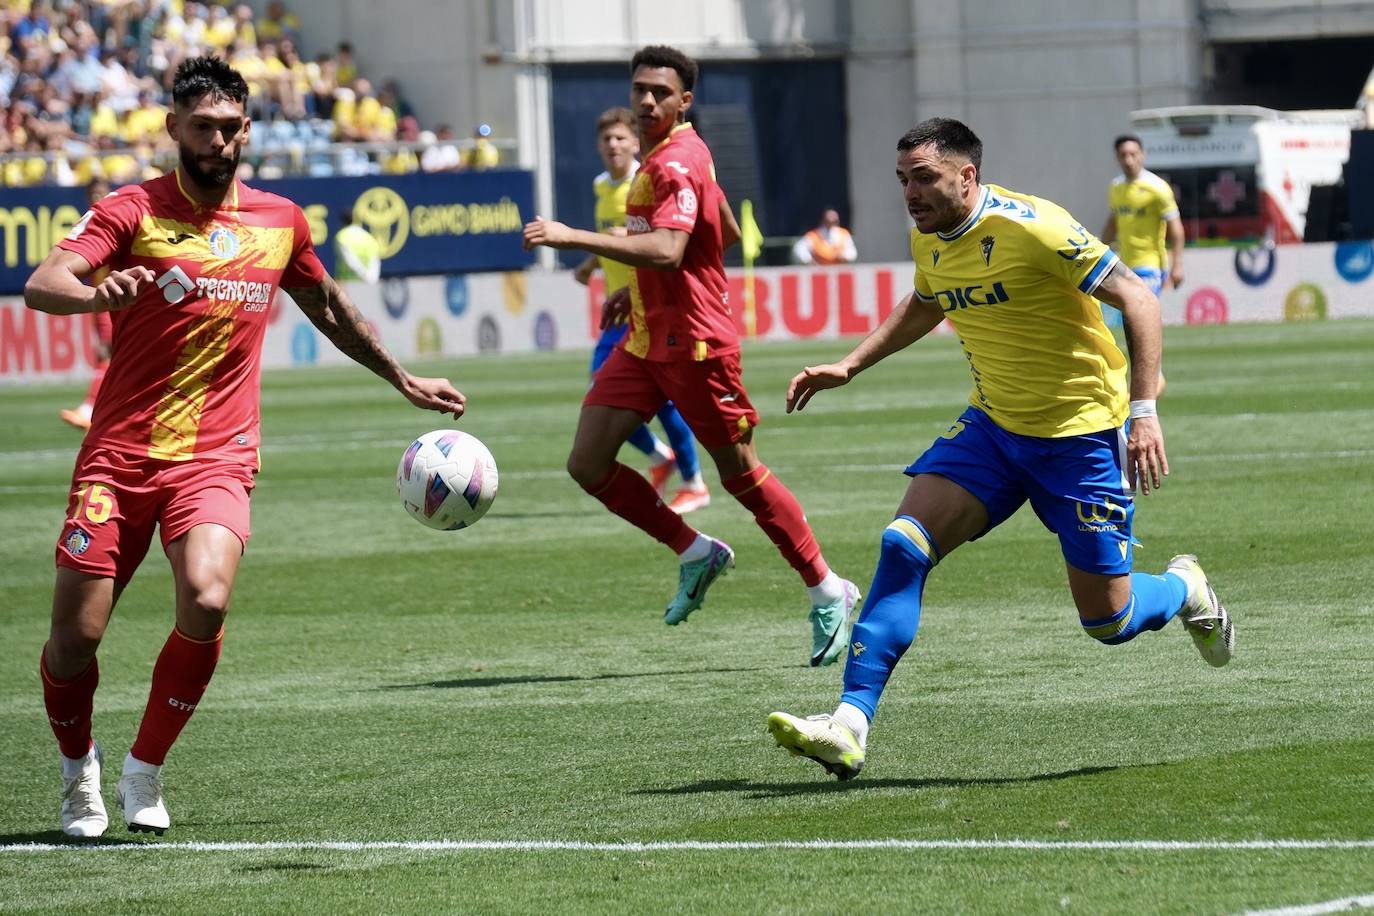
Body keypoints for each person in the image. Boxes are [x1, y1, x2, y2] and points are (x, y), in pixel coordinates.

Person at [24, 55, 465, 838]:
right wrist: (96, 290)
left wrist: (400, 377)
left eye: (231, 128)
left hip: (216, 457)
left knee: (208, 597)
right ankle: (76, 772)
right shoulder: (130, 210)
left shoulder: (278, 221)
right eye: (203, 128)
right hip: (119, 457)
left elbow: (327, 305)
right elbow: (44, 281)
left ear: (247, 129)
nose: (219, 142)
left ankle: (144, 772)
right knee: (74, 641)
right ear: (173, 128)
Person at [766, 118, 1233, 781]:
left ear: (967, 175)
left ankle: (1185, 588)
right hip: (992, 428)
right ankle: (849, 723)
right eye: (902, 180)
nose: (911, 193)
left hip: (1080, 438)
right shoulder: (929, 235)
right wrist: (850, 364)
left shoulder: (1034, 226)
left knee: (1109, 621)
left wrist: (1145, 410)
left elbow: (1136, 297)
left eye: (923, 177)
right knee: (903, 544)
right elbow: (928, 301)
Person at [523, 45, 858, 662]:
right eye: (639, 90)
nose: (646, 100)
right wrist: (642, 295)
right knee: (587, 461)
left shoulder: (675, 162)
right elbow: (723, 231)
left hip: (698, 347)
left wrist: (572, 235)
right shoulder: (683, 153)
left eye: (659, 92)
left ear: (684, 100)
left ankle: (827, 588)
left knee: (743, 478)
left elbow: (672, 250)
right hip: (649, 338)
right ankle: (696, 551)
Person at [572, 106, 709, 513]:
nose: (613, 145)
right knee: (605, 396)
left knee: (658, 401)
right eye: (606, 139)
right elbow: (613, 239)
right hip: (620, 311)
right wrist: (590, 263)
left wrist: (608, 238)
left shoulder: (645, 180)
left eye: (620, 138)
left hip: (648, 307)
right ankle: (662, 460)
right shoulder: (602, 187)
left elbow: (656, 239)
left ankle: (694, 481)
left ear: (635, 142)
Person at [60, 178, 114, 431]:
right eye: (93, 194)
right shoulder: (89, 226)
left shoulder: (118, 222)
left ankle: (89, 409)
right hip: (98, 298)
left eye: (101, 192)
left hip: (115, 301)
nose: (97, 198)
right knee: (109, 355)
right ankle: (104, 410)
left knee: (107, 353)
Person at [791, 208, 857, 265]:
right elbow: (799, 250)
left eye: (834, 221)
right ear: (823, 221)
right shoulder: (813, 236)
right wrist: (810, 261)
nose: (831, 224)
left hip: (838, 271)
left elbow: (852, 253)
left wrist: (843, 256)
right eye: (828, 221)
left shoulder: (843, 234)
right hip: (819, 273)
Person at [333, 208, 382, 284]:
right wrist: (371, 278)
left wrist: (364, 276)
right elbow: (375, 261)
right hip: (368, 282)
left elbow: (349, 260)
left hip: (348, 284)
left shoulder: (341, 236)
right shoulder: (368, 237)